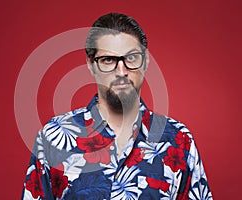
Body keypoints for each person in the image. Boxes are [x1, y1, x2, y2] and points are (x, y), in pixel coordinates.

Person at [21, 13, 212, 200]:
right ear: (91, 65)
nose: (121, 71)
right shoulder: (52, 138)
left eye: (131, 58)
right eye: (108, 60)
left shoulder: (179, 140)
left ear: (145, 62)